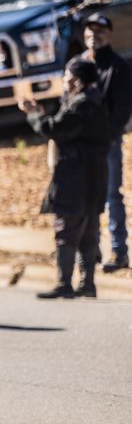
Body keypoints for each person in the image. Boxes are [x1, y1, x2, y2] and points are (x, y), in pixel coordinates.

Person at [19, 58, 109, 299]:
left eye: (67, 76)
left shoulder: (79, 105)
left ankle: (64, 284)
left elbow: (54, 129)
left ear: (77, 80)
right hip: (96, 176)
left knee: (66, 232)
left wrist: (33, 115)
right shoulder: (97, 102)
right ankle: (87, 284)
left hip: (75, 178)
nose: (64, 80)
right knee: (88, 233)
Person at [82, 14, 132, 273]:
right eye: (90, 30)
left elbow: (123, 110)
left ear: (109, 34)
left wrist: (108, 137)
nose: (94, 35)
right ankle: (89, 252)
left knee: (112, 196)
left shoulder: (118, 66)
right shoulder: (77, 64)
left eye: (100, 31)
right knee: (86, 198)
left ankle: (119, 251)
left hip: (107, 143)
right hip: (80, 145)